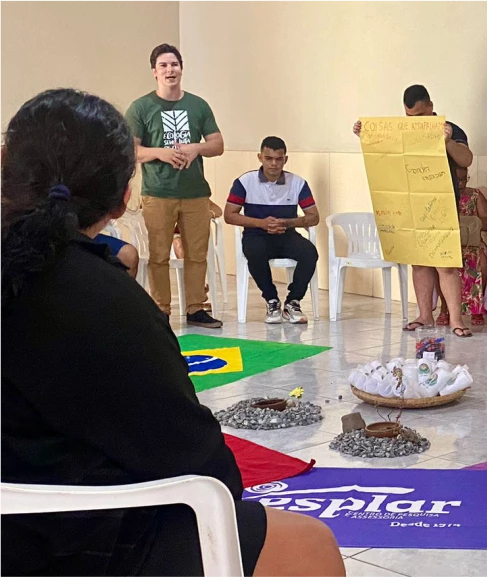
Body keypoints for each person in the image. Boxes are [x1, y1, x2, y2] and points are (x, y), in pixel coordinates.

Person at [0, 89, 345, 577]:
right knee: (308, 546)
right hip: (66, 538)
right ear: (123, 197)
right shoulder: (102, 300)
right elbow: (200, 466)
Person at [352, 84, 474, 337]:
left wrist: (448, 141)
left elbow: (466, 160)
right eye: (409, 117)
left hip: (441, 202)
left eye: (419, 116)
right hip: (410, 204)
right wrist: (365, 135)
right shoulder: (402, 130)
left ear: (430, 107)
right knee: (419, 263)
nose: (414, 121)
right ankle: (424, 315)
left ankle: (455, 319)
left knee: (445, 264)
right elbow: (383, 153)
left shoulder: (449, 128)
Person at [126, 43, 225, 328]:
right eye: (164, 66)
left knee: (197, 254)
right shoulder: (141, 107)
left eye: (175, 64)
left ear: (182, 68)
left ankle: (196, 309)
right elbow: (131, 151)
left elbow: (217, 144)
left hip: (195, 193)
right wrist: (160, 152)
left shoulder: (198, 105)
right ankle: (161, 310)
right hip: (158, 193)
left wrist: (196, 148)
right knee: (158, 255)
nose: (170, 70)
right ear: (154, 72)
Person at [224, 136, 320, 324]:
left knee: (309, 252)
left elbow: (314, 217)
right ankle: (272, 300)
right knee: (254, 251)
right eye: (269, 158)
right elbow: (229, 215)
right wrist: (261, 224)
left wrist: (287, 223)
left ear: (286, 159)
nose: (274, 164)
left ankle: (293, 302)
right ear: (260, 157)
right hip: (256, 234)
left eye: (279, 159)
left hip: (286, 234)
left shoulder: (298, 183)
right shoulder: (244, 182)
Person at [437, 167, 487, 326]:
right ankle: (444, 309)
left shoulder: (475, 195)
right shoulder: (441, 196)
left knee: (481, 263)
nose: (460, 183)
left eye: (464, 179)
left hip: (472, 245)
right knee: (443, 264)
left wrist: (471, 223)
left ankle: (477, 309)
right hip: (448, 244)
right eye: (456, 179)